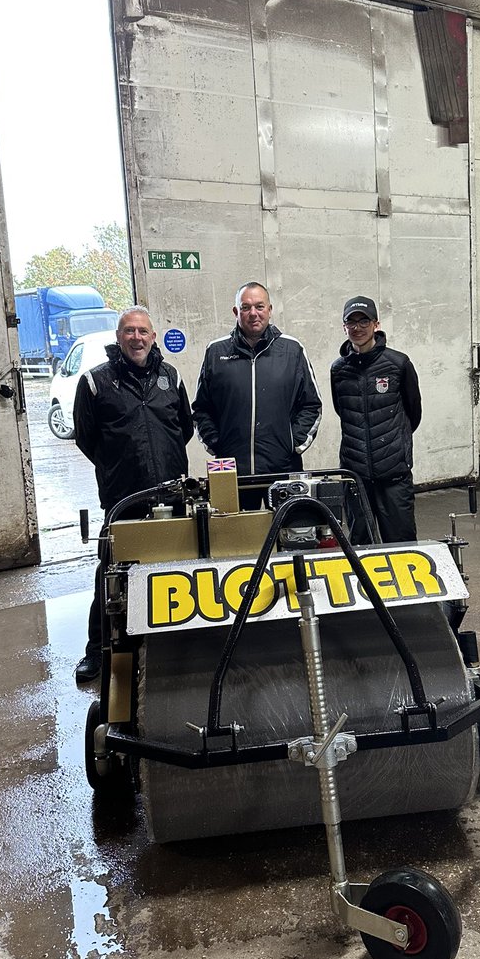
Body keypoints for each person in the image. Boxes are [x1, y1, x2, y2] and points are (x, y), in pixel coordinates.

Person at [72, 305, 193, 681]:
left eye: (143, 331)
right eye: (129, 331)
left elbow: (183, 429)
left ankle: (175, 644)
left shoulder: (170, 377)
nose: (136, 338)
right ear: (118, 337)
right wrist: (117, 467)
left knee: (173, 567)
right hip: (122, 497)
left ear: (153, 337)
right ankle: (97, 650)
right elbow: (86, 438)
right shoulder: (95, 382)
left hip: (171, 494)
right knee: (110, 571)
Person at [192, 282, 322, 506]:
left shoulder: (292, 350)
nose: (253, 313)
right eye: (245, 307)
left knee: (287, 535)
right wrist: (217, 444)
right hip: (232, 472)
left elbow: (311, 404)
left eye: (259, 306)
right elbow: (202, 408)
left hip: (282, 469)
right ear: (236, 312)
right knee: (237, 537)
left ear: (270, 310)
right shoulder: (216, 351)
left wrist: (292, 444)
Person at [330, 295, 422, 543]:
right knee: (360, 546)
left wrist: (393, 448)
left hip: (394, 475)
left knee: (402, 544)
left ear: (376, 324)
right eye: (352, 322)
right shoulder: (338, 370)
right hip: (355, 475)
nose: (357, 328)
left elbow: (414, 414)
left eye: (364, 321)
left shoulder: (398, 364)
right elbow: (343, 412)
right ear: (344, 327)